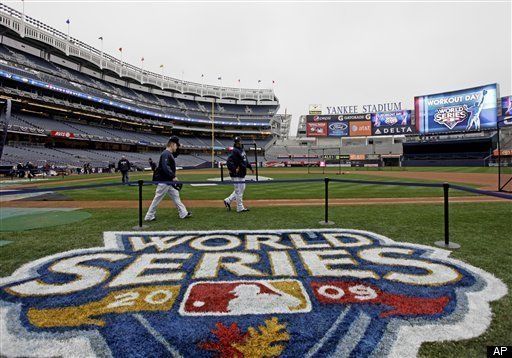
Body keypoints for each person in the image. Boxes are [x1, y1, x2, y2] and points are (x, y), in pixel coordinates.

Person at [145, 136, 191, 222]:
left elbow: (176, 154)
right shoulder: (165, 154)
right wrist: (173, 176)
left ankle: (183, 213)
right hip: (164, 181)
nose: (177, 147)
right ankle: (149, 215)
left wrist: (180, 147)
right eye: (176, 145)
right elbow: (166, 167)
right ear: (172, 145)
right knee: (157, 199)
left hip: (168, 182)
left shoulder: (169, 154)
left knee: (176, 197)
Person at [224, 136, 254, 213]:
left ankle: (228, 200)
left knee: (242, 188)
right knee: (238, 191)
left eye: (239, 141)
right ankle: (239, 207)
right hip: (236, 174)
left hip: (242, 173)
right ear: (235, 143)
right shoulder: (234, 151)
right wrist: (234, 169)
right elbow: (228, 162)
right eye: (237, 142)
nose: (238, 143)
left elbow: (245, 161)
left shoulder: (242, 150)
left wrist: (250, 167)